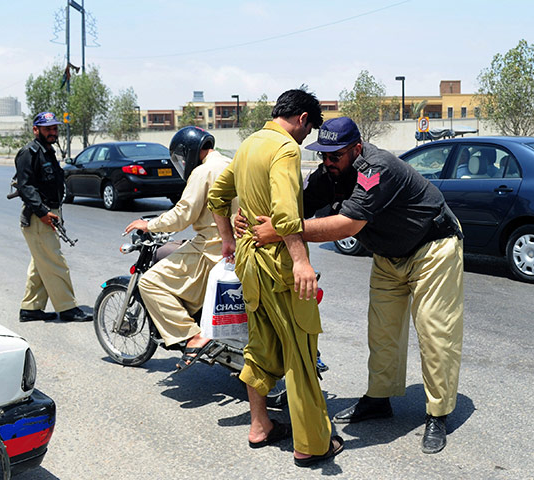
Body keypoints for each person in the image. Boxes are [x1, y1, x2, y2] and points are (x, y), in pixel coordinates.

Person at [242, 116, 464, 454]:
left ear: (356, 149)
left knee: (435, 332)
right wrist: (250, 215)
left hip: (432, 247)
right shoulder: (328, 174)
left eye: (336, 156)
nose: (328, 162)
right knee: (381, 331)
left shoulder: (376, 168)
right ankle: (379, 399)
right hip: (389, 255)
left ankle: (438, 413)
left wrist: (284, 230)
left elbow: (348, 224)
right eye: (323, 155)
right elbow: (293, 204)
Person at [207, 89, 343, 467]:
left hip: (249, 264)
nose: (306, 137)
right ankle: (311, 445)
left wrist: (228, 240)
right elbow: (285, 215)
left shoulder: (249, 144)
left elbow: (218, 196)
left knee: (262, 346)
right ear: (302, 119)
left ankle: (260, 426)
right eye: (309, 128)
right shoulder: (285, 149)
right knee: (300, 352)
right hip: (278, 264)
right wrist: (300, 262)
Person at [124, 126, 231, 372]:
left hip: (213, 247)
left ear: (190, 153)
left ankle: (192, 335)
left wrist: (149, 224)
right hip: (236, 245)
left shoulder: (204, 171)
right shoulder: (229, 163)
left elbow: (182, 215)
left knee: (150, 282)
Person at [15, 112, 91, 322]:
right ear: (36, 129)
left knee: (41, 263)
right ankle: (67, 308)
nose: (52, 132)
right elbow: (25, 186)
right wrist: (42, 212)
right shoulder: (28, 153)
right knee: (55, 262)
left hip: (49, 213)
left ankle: (31, 308)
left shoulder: (47, 151)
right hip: (39, 217)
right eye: (47, 128)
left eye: (54, 128)